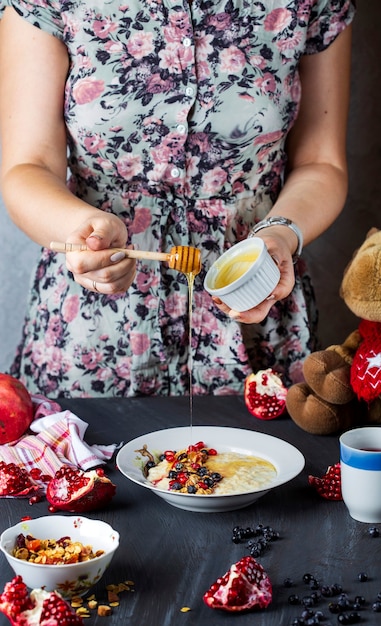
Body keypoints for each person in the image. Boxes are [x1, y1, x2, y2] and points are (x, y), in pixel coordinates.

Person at [0, 0, 355, 398]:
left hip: (255, 304)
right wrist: (81, 231)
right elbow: (27, 167)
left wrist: (279, 236)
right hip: (93, 332)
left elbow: (321, 162)